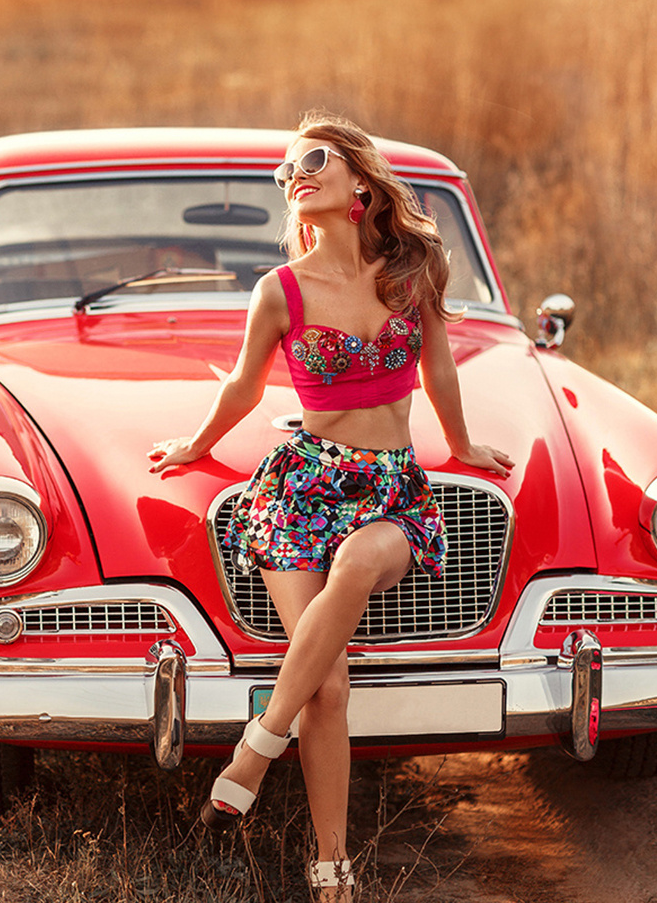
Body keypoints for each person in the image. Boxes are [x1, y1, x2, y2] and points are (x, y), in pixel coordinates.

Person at [148, 112, 513, 900]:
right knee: (329, 686)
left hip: (390, 488)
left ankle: (255, 747)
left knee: (357, 563)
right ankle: (332, 862)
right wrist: (193, 441)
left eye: (311, 159)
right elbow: (245, 385)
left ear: (359, 180)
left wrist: (465, 443)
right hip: (301, 489)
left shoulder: (412, 270)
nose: (294, 175)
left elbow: (441, 368)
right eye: (285, 172)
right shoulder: (278, 290)